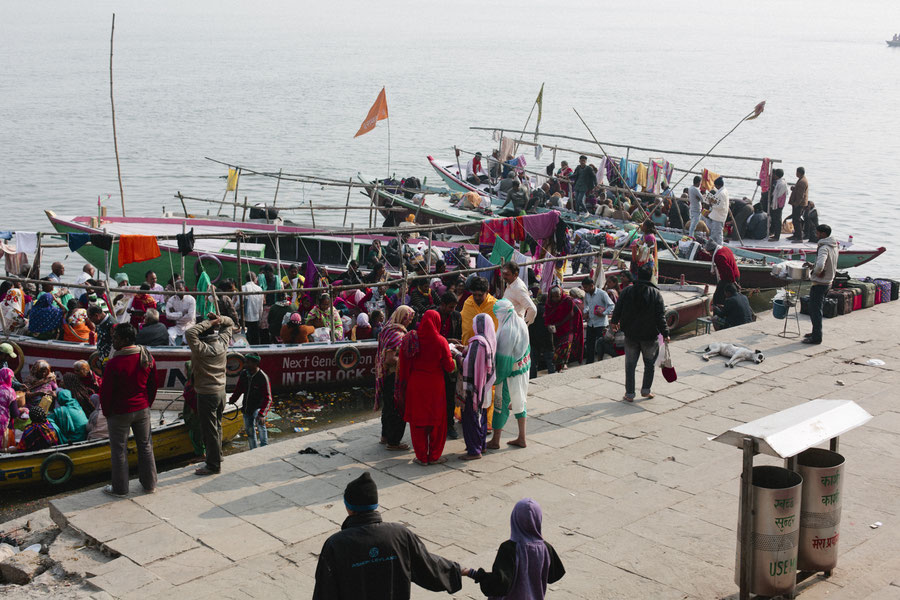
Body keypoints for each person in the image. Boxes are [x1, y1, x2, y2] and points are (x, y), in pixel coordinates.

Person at [312, 472, 463, 599]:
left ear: (348, 508)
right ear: (375, 505)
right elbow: (429, 566)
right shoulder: (399, 534)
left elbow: (325, 590)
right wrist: (463, 571)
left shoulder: (336, 544)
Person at [99, 323, 157, 496]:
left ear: (124, 340)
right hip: (142, 409)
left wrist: (107, 412)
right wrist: (148, 403)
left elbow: (106, 392)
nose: (113, 341)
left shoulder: (115, 363)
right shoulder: (147, 357)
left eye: (115, 338)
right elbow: (153, 385)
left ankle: (120, 489)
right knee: (145, 446)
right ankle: (150, 484)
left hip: (119, 412)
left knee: (119, 450)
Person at [467, 498, 566, 598]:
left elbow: (499, 585)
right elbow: (555, 575)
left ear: (514, 519)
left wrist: (471, 573)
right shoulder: (546, 548)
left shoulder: (508, 549)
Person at [398, 310, 455, 465]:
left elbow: (403, 365)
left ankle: (422, 457)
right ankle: (434, 455)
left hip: (415, 385)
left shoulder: (410, 339)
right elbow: (449, 367)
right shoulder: (440, 341)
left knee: (418, 422)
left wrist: (403, 384)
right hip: (435, 386)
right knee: (437, 421)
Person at [610, 265, 670, 402]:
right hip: (649, 336)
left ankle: (629, 394)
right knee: (649, 364)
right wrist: (665, 333)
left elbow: (618, 308)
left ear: (637, 275)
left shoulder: (627, 291)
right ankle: (645, 391)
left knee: (630, 365)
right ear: (650, 277)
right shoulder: (655, 294)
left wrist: (614, 321)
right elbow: (660, 316)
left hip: (630, 334)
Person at [185, 315, 235, 475]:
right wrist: (220, 319)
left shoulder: (201, 348)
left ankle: (213, 465)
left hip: (207, 394)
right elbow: (230, 323)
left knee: (209, 430)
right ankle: (217, 456)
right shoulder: (222, 342)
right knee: (217, 426)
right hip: (221, 391)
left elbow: (190, 333)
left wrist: (211, 322)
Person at [488, 299, 530, 449]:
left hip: (509, 374)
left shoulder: (507, 330)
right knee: (520, 402)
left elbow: (504, 360)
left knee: (500, 404)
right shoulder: (520, 321)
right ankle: (522, 437)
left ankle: (495, 440)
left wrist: (495, 379)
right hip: (523, 369)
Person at [457, 313, 495, 460]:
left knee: (471, 418)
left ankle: (474, 450)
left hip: (474, 388)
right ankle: (481, 445)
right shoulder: (489, 339)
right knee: (482, 416)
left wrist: (457, 356)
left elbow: (468, 364)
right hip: (484, 386)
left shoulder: (477, 342)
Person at [375, 306, 414, 451]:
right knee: (396, 408)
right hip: (393, 375)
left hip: (384, 374)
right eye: (408, 317)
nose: (410, 320)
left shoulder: (387, 329)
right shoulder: (397, 334)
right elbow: (390, 359)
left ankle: (385, 436)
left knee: (388, 407)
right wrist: (407, 361)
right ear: (402, 317)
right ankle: (394, 442)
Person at [804, 224, 839, 345]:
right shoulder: (834, 246)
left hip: (820, 283)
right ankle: (815, 332)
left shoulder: (824, 247)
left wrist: (814, 271)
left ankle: (816, 337)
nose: (816, 234)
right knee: (817, 309)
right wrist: (812, 265)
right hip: (828, 282)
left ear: (823, 234)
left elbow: (820, 266)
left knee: (815, 310)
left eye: (817, 233)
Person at [228, 353, 271, 450]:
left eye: (248, 362)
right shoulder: (244, 374)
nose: (245, 364)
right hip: (247, 408)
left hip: (258, 408)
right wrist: (232, 400)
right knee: (250, 432)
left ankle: (265, 449)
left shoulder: (262, 377)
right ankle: (253, 450)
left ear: (255, 363)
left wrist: (262, 414)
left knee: (261, 427)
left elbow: (268, 398)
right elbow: (239, 389)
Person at [543, 286, 577, 372]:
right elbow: (547, 317)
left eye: (557, 296)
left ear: (561, 294)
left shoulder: (567, 301)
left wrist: (560, 323)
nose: (555, 299)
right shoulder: (549, 303)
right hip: (555, 330)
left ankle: (564, 363)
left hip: (567, 328)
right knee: (556, 349)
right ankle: (559, 368)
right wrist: (549, 325)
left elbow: (572, 313)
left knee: (565, 346)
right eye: (553, 296)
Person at [582, 277, 615, 364]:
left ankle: (601, 361)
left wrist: (604, 312)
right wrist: (585, 312)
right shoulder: (587, 294)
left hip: (601, 324)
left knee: (602, 344)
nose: (584, 289)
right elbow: (586, 305)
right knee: (590, 344)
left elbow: (611, 305)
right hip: (590, 323)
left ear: (591, 286)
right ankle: (589, 362)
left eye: (586, 287)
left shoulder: (602, 293)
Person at [460, 276, 498, 344]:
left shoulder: (495, 305)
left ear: (487, 292)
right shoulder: (468, 303)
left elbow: (496, 331)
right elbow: (466, 328)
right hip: (467, 348)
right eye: (474, 295)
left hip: (488, 348)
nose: (477, 298)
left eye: (480, 295)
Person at [528, 288, 555, 378]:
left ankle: (532, 378)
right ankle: (553, 377)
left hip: (533, 340)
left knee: (533, 363)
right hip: (547, 339)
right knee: (550, 361)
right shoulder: (549, 311)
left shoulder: (534, 310)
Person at [706, 239, 741, 307]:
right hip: (735, 275)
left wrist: (733, 282)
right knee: (736, 296)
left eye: (709, 253)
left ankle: (719, 314)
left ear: (712, 250)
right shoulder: (725, 248)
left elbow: (728, 270)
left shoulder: (718, 256)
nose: (710, 255)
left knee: (718, 298)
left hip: (729, 278)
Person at [165, 281, 197, 345]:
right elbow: (168, 315)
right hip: (176, 325)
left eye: (180, 288)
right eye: (176, 288)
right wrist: (181, 314)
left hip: (189, 325)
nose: (178, 290)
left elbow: (190, 317)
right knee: (169, 336)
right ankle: (173, 353)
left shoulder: (191, 299)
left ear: (184, 288)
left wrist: (175, 316)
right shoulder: (171, 300)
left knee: (187, 338)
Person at [237, 272, 264, 345]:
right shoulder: (259, 289)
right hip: (256, 317)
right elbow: (261, 306)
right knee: (254, 339)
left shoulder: (243, 288)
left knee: (243, 339)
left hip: (244, 318)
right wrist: (260, 317)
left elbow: (238, 304)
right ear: (254, 279)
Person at [788, 167, 809, 243]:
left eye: (796, 172)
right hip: (798, 203)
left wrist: (796, 204)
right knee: (795, 219)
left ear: (799, 173)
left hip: (799, 204)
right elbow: (799, 191)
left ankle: (799, 237)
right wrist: (794, 189)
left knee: (796, 220)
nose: (796, 174)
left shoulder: (802, 182)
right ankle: (796, 235)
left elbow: (801, 195)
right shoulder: (801, 180)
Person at [0, 367, 19, 451]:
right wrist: (21, 410)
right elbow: (15, 413)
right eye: (11, 378)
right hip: (4, 427)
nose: (11, 380)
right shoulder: (10, 391)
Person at [707, 177, 729, 246]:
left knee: (718, 234)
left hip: (719, 216)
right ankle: (713, 246)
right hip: (718, 215)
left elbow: (721, 206)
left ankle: (719, 248)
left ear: (717, 185)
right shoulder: (723, 191)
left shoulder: (722, 193)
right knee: (715, 233)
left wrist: (712, 205)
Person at [769, 169, 789, 241]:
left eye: (774, 175)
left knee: (777, 220)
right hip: (776, 204)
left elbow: (780, 196)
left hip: (778, 205)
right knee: (775, 219)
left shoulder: (781, 183)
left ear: (777, 175)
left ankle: (777, 236)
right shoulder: (779, 182)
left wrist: (777, 204)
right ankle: (774, 234)